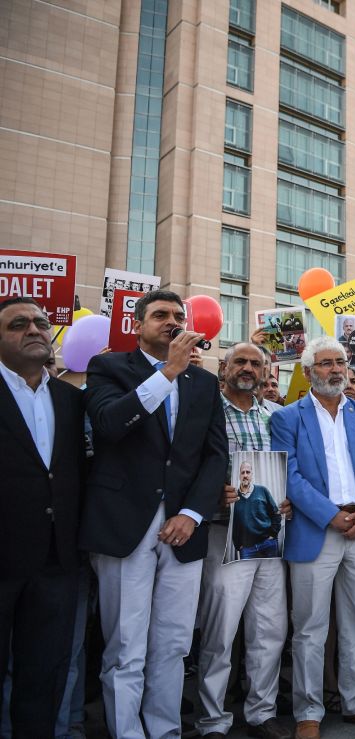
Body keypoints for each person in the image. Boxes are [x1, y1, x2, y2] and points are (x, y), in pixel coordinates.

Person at [81, 289, 228, 739]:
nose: (172, 322)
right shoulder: (108, 368)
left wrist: (191, 513)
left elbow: (214, 455)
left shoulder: (203, 384)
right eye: (160, 315)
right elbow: (109, 425)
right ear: (138, 325)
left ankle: (163, 731)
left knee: (173, 643)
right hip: (124, 524)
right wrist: (167, 373)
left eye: (178, 316)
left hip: (183, 530)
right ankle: (127, 732)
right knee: (127, 645)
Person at [270, 337, 355, 738]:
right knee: (309, 627)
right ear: (307, 373)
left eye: (340, 362)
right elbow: (289, 475)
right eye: (325, 364)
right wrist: (329, 515)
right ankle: (309, 710)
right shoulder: (287, 418)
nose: (336, 369)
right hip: (314, 530)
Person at [196, 342, 290, 739]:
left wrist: (287, 499)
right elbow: (192, 463)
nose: (248, 368)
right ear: (224, 367)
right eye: (241, 361)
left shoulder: (276, 415)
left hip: (270, 539)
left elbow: (291, 466)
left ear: (266, 370)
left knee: (269, 629)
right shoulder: (207, 412)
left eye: (256, 362)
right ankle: (212, 720)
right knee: (220, 632)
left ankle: (261, 712)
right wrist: (212, 492)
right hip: (224, 534)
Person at [0, 298, 85, 736]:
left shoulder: (70, 400)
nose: (34, 329)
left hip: (56, 561)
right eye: (19, 324)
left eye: (40, 322)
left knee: (43, 677)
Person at [231, 460, 282, 560]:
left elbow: (276, 513)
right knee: (246, 575)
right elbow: (235, 524)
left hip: (268, 543)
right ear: (239, 476)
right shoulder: (234, 497)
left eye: (248, 472)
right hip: (247, 549)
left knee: (270, 574)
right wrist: (238, 545)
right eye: (242, 472)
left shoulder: (262, 490)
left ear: (252, 474)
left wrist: (273, 534)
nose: (245, 475)